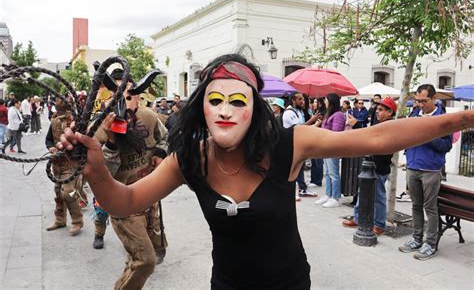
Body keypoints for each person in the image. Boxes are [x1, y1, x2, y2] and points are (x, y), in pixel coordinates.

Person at [56, 54, 474, 289]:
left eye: (237, 101)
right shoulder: (191, 159)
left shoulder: (290, 145)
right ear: (201, 105)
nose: (224, 110)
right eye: (215, 99)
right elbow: (123, 201)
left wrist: (463, 119)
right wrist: (95, 169)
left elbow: (382, 139)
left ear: (255, 108)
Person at [91, 68, 169, 289]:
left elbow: (165, 137)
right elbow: (102, 174)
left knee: (150, 252)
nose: (125, 100)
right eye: (118, 95)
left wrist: (160, 154)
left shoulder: (149, 116)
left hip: (150, 196)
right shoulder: (100, 127)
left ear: (138, 95)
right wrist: (112, 142)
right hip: (124, 204)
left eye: (129, 94)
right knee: (146, 262)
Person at [399, 84, 453, 261]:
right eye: (418, 101)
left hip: (430, 169)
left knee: (430, 208)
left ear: (434, 98)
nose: (420, 104)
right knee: (415, 206)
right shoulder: (414, 114)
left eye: (424, 101)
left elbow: (446, 146)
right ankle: (416, 238)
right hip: (413, 167)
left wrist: (427, 136)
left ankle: (430, 243)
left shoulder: (442, 119)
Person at [342, 97, 397, 234]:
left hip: (380, 167)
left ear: (390, 112)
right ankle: (358, 217)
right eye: (377, 109)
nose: (377, 112)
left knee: (378, 196)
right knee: (363, 192)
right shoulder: (380, 123)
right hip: (371, 165)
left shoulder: (390, 126)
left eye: (381, 110)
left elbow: (372, 139)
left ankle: (379, 224)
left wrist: (357, 125)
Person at [44, 95, 83, 235]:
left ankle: (77, 221)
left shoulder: (75, 121)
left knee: (68, 193)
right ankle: (60, 219)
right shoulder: (54, 121)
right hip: (57, 165)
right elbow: (48, 140)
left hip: (71, 164)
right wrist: (51, 148)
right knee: (58, 192)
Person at [282, 92, 318, 200]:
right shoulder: (289, 113)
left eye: (303, 99)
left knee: (299, 167)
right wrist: (312, 121)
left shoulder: (298, 111)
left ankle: (302, 189)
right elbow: (298, 128)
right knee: (293, 169)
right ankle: (293, 191)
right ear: (293, 101)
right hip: (291, 144)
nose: (302, 101)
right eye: (300, 99)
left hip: (297, 143)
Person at [314, 93, 346, 208]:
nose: (325, 103)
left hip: (333, 148)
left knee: (333, 174)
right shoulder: (329, 114)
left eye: (326, 101)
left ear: (331, 102)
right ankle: (328, 194)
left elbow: (335, 133)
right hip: (326, 148)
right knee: (327, 173)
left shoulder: (338, 115)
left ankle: (336, 197)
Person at [309, 98, 326, 187]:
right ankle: (313, 179)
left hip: (318, 138)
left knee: (318, 160)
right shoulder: (315, 112)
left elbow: (319, 124)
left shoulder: (321, 113)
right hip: (313, 137)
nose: (314, 103)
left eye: (316, 102)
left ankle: (317, 181)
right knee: (314, 160)